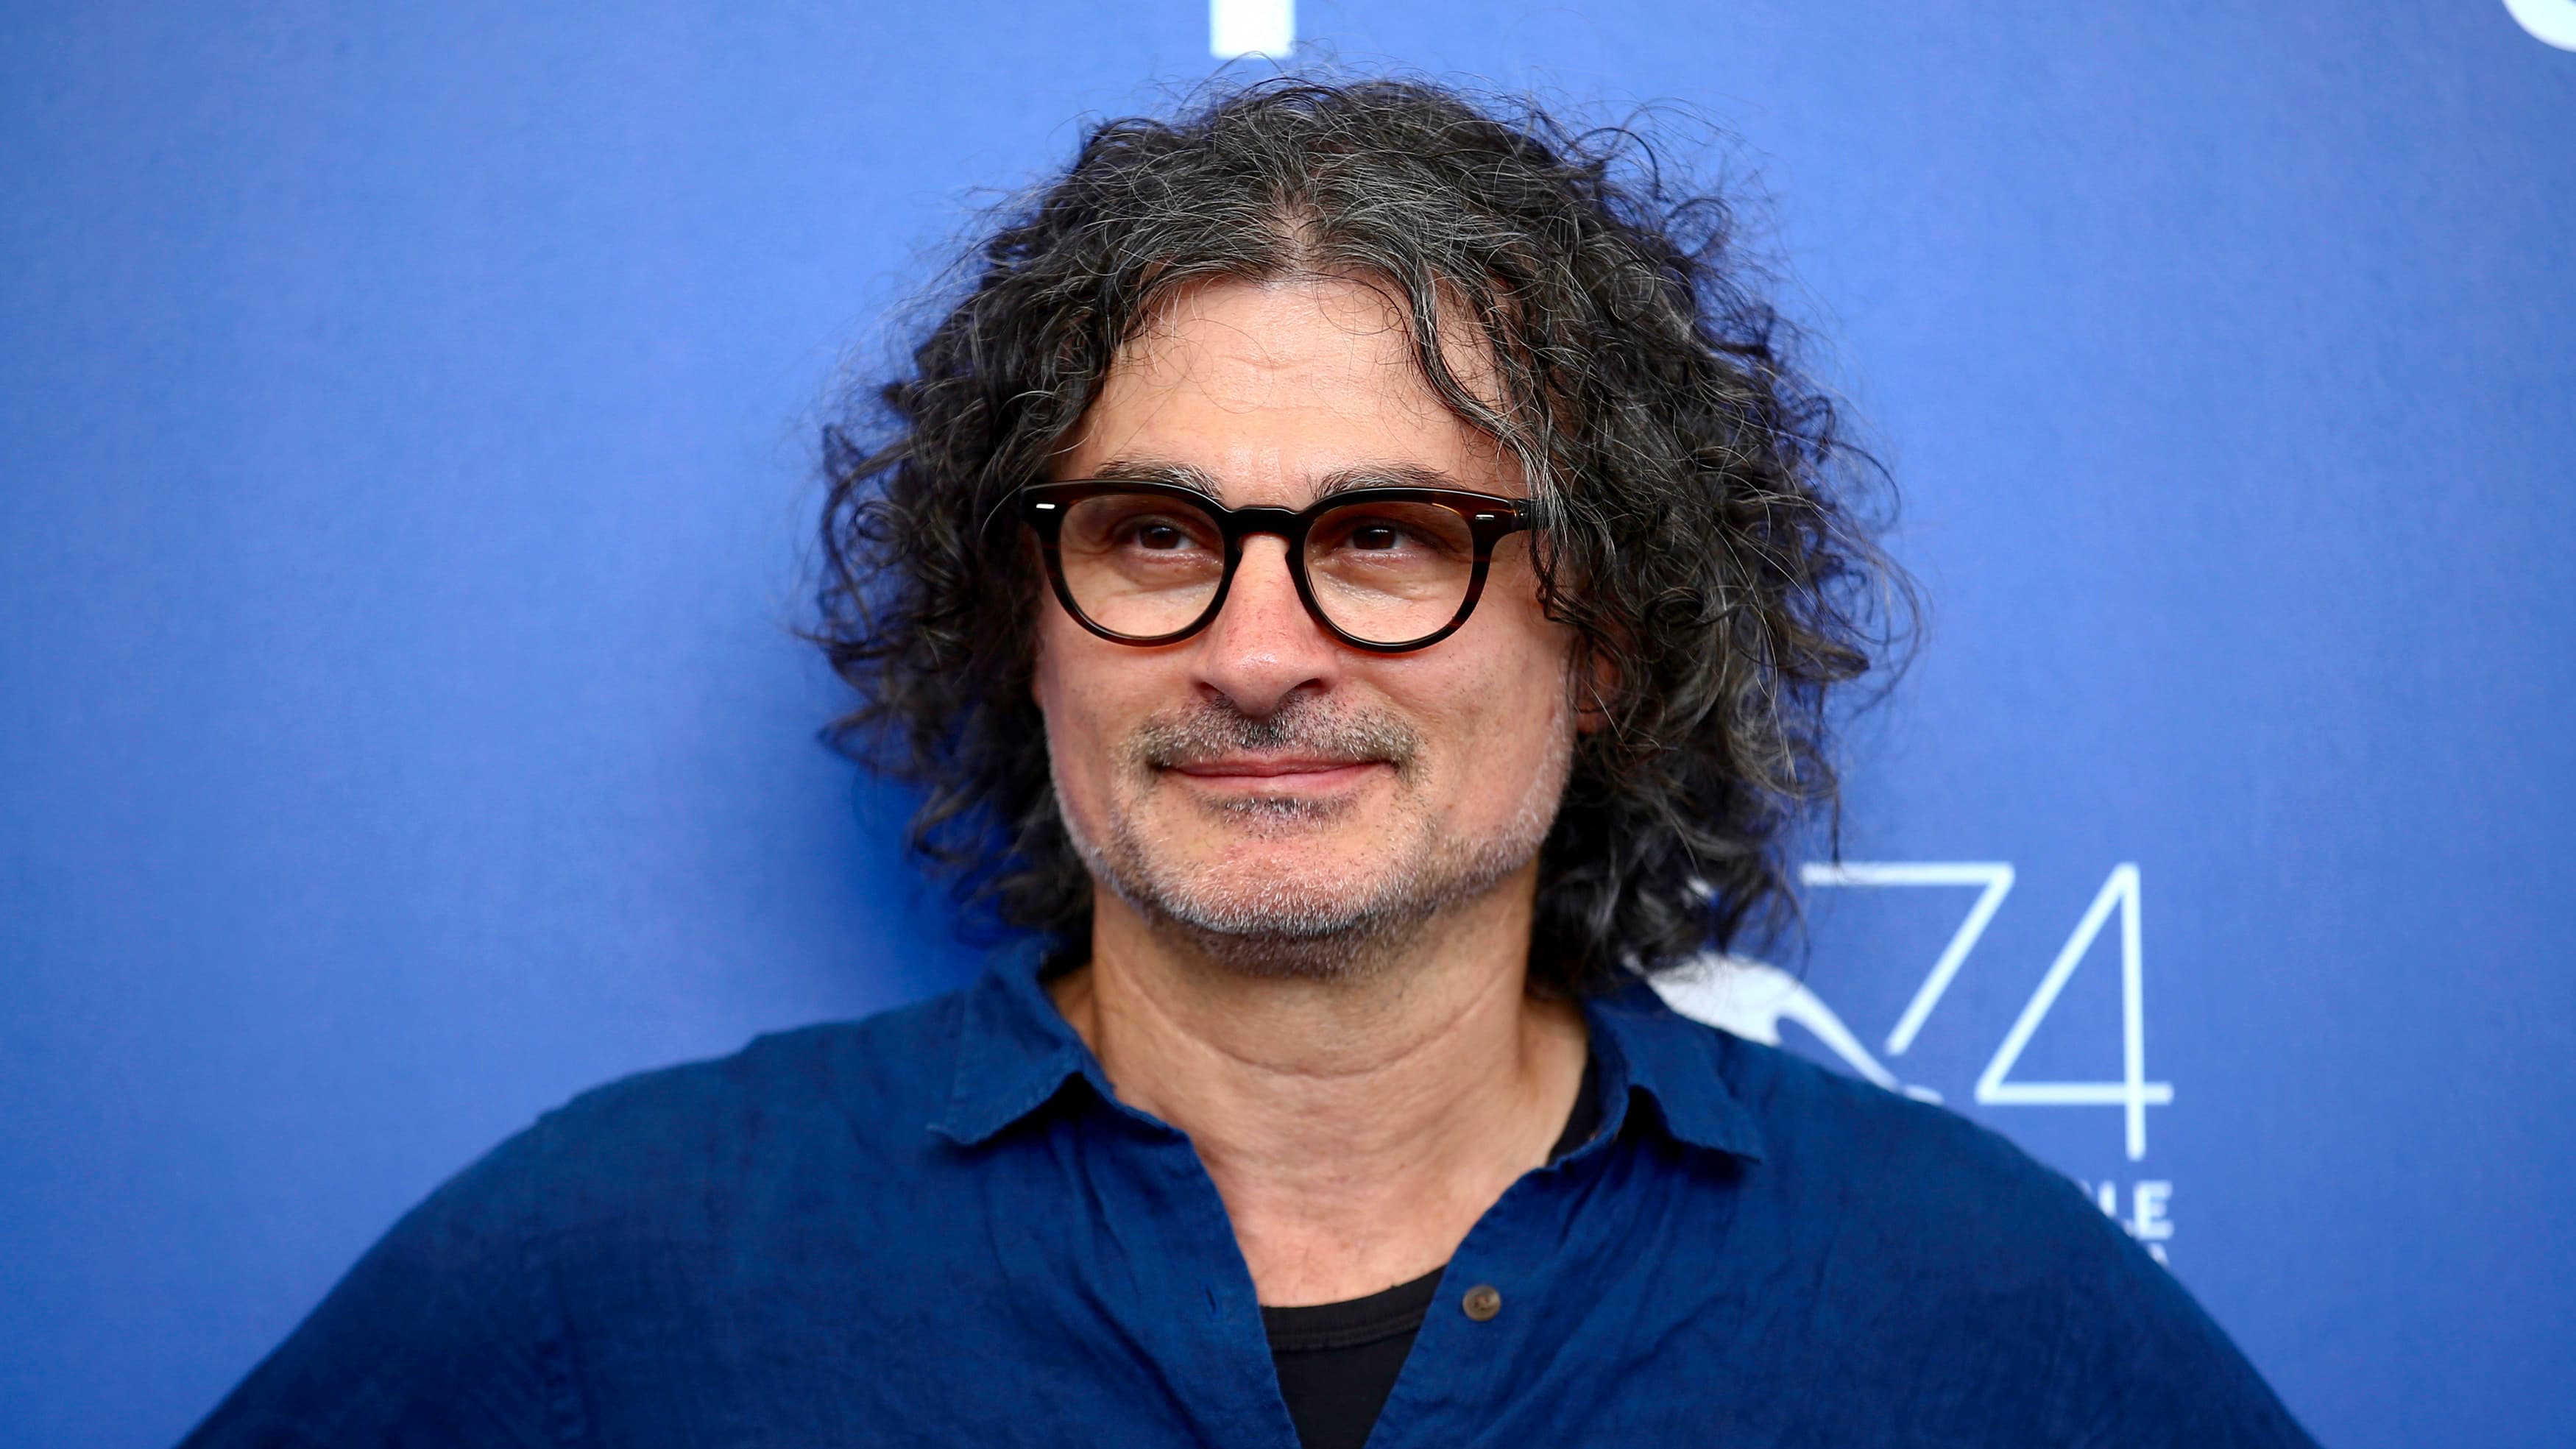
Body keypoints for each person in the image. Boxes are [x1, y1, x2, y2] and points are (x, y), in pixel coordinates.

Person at [181, 77, 2315, 1448]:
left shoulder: (1965, 1304)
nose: (1256, 645)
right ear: (1024, 630)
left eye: (1390, 535)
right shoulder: (623, 1262)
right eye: (1152, 536)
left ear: (1608, 632)